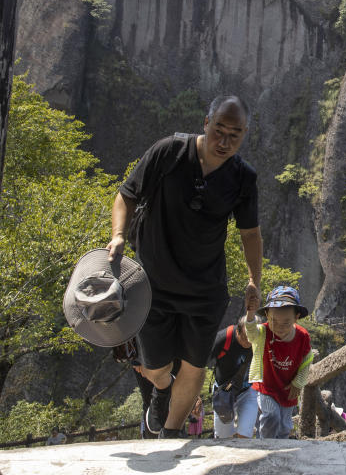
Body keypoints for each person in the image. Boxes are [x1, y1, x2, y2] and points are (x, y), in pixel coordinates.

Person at [106, 95, 263, 439]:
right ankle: (162, 390)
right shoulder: (168, 152)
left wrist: (254, 279)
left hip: (205, 289)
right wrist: (118, 236)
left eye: (234, 135)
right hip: (153, 284)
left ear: (245, 134)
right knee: (155, 367)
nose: (224, 141)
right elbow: (127, 195)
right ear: (206, 123)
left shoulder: (242, 177)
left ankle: (171, 434)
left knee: (194, 366)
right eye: (219, 130)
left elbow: (250, 233)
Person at [245, 286, 315, 440]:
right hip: (267, 385)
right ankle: (265, 446)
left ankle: (281, 448)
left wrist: (298, 382)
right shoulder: (263, 332)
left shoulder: (302, 336)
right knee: (271, 416)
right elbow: (250, 334)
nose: (279, 327)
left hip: (288, 387)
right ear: (266, 315)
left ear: (296, 317)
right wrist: (250, 313)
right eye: (273, 321)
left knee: (285, 425)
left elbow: (307, 359)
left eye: (286, 323)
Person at [210, 315, 259, 439]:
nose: (248, 342)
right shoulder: (223, 338)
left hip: (248, 391)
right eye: (245, 337)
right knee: (223, 438)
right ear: (238, 332)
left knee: (245, 434)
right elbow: (199, 365)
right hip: (223, 393)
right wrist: (196, 398)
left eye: (252, 338)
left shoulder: (260, 338)